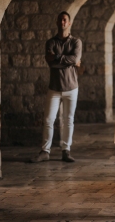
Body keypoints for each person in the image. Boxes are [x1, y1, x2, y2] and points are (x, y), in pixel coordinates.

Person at [31, 11, 82, 163]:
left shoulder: (76, 42)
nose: (62, 22)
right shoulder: (50, 42)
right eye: (60, 19)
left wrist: (59, 57)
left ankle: (66, 150)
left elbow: (76, 58)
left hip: (71, 87)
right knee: (48, 119)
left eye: (65, 20)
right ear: (57, 22)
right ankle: (45, 151)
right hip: (54, 87)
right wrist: (69, 60)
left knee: (68, 120)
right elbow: (51, 61)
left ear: (69, 23)